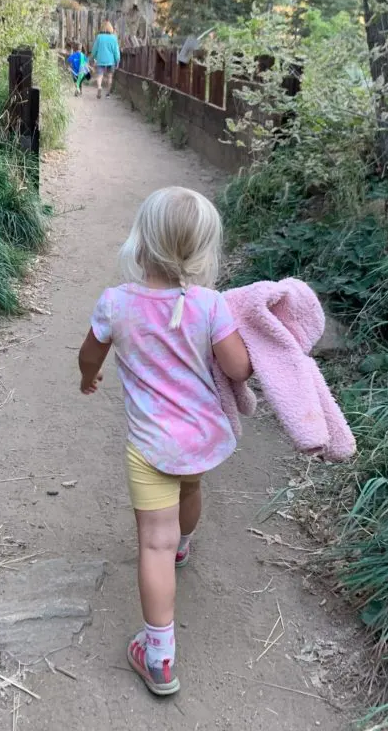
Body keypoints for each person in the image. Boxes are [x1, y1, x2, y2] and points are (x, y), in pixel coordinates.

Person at [77, 187, 253, 697]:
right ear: (204, 251)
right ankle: (185, 544)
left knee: (152, 541)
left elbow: (90, 355)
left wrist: (88, 378)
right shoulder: (211, 305)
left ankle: (158, 656)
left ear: (141, 242)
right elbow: (239, 367)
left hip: (151, 447)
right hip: (200, 439)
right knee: (189, 494)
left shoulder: (116, 303)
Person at [90, 20, 121, 99]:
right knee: (109, 77)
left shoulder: (99, 37)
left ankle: (99, 87)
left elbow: (94, 49)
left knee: (100, 75)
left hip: (100, 59)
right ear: (111, 28)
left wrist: (92, 57)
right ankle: (107, 94)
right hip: (111, 61)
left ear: (102, 28)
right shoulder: (113, 38)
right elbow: (116, 51)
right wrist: (117, 60)